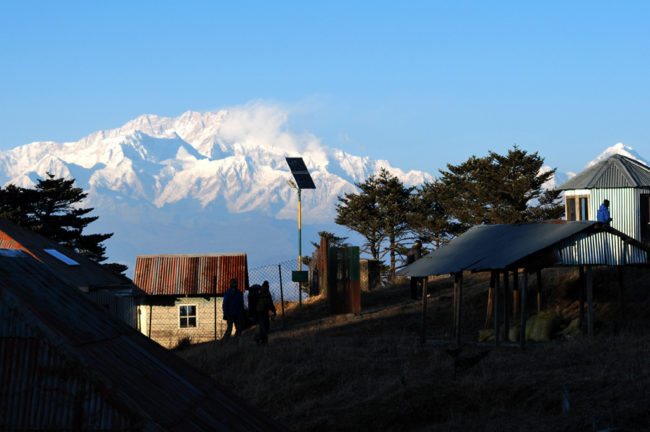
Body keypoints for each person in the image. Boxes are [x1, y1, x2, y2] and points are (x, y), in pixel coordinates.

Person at [255, 280, 277, 344]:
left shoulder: (267, 293)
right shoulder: (259, 292)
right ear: (263, 286)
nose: (267, 288)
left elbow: (270, 302)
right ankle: (263, 340)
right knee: (262, 327)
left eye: (267, 287)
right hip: (259, 311)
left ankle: (260, 338)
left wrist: (274, 310)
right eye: (266, 287)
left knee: (266, 326)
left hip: (265, 311)